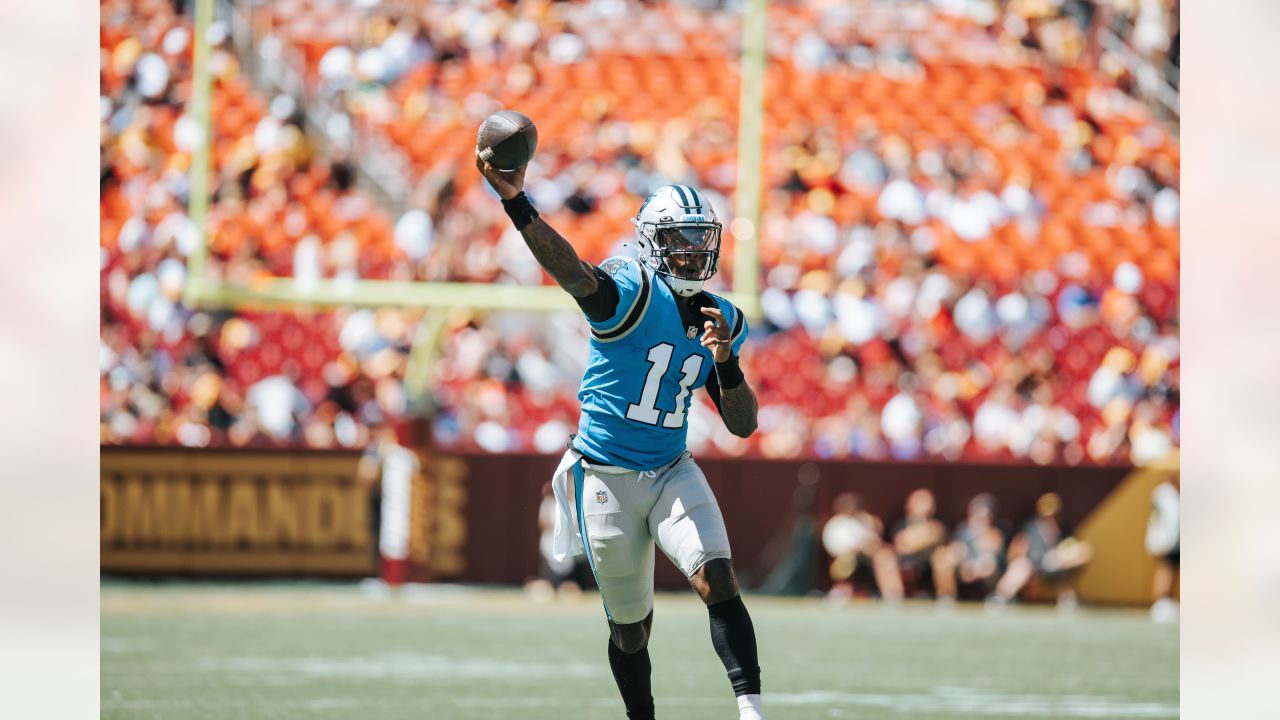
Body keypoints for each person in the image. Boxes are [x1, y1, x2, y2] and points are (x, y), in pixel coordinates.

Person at [477, 156, 765, 720]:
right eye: (679, 240)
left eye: (698, 239)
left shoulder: (721, 315)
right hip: (605, 475)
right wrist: (518, 204)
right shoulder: (631, 291)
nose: (691, 252)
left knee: (718, 575)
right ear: (652, 245)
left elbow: (743, 423)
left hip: (670, 468)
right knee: (631, 630)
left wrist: (726, 362)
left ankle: (751, 712)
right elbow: (574, 274)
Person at [991, 492, 1093, 607]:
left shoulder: (1064, 530)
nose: (1050, 517)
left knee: (1075, 555)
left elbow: (1082, 553)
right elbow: (1017, 548)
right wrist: (1021, 562)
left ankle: (1067, 600)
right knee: (1021, 565)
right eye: (1047, 514)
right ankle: (1000, 597)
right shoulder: (1031, 527)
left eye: (1053, 514)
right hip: (1034, 568)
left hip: (1056, 570)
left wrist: (1064, 559)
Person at [821, 492, 903, 602]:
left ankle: (893, 594)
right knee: (883, 556)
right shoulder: (837, 523)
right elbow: (837, 547)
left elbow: (871, 539)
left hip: (865, 557)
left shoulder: (857, 522)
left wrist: (874, 524)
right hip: (844, 561)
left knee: (884, 557)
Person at [889, 488, 956, 601]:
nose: (924, 505)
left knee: (943, 559)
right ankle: (893, 596)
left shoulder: (938, 522)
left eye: (927, 502)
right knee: (884, 558)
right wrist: (921, 537)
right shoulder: (901, 523)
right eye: (919, 501)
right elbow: (900, 545)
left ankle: (946, 597)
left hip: (930, 561)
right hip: (905, 560)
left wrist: (918, 538)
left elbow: (940, 537)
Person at [946, 493, 1007, 598]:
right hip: (965, 569)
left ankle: (996, 597)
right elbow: (954, 551)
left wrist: (976, 568)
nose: (980, 520)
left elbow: (993, 562)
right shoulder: (962, 531)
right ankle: (947, 596)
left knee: (987, 567)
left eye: (984, 517)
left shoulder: (995, 534)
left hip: (987, 575)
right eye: (976, 515)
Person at [1145, 477, 1180, 623]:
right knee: (1166, 569)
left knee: (1172, 570)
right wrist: (1159, 538)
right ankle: (1160, 603)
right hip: (1165, 539)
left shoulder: (1175, 494)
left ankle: (1167, 602)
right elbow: (1159, 517)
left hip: (1175, 539)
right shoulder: (1163, 493)